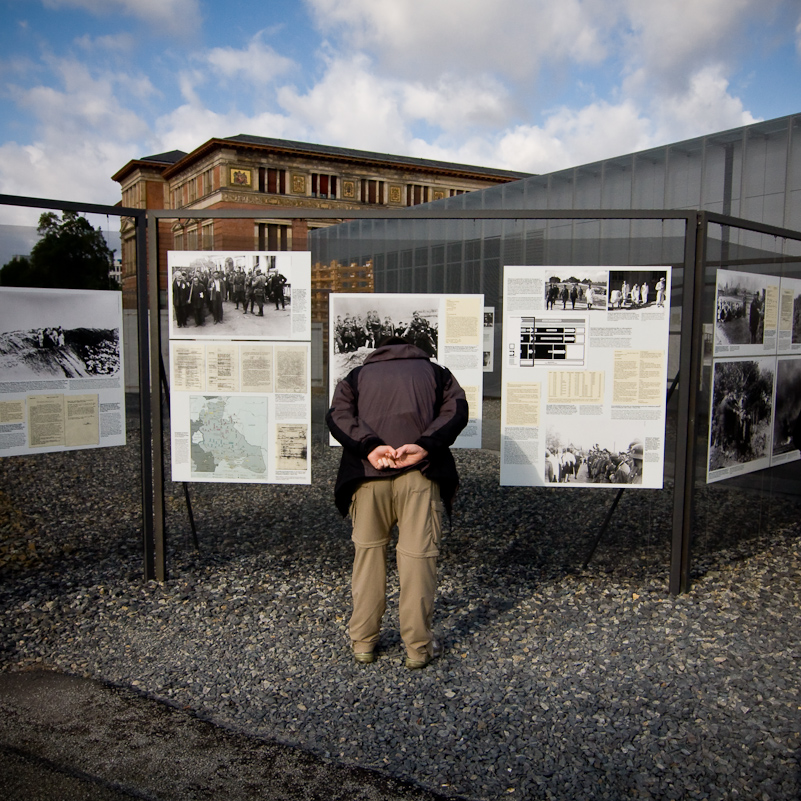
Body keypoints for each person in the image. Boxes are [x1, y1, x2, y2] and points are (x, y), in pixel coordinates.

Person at [326, 335, 468, 669]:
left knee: (368, 559)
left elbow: (337, 416)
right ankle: (418, 648)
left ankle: (363, 643)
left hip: (367, 476)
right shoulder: (436, 373)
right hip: (420, 476)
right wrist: (424, 444)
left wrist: (371, 446)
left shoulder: (356, 377)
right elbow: (456, 411)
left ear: (379, 352)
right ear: (415, 349)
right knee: (418, 560)